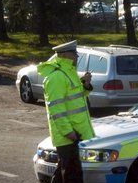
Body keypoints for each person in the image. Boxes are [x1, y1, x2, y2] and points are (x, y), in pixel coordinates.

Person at [37, 40, 94, 183]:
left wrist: (85, 84)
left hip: (73, 131)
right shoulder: (57, 77)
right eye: (74, 54)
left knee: (65, 171)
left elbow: (76, 97)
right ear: (65, 55)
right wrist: (68, 132)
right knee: (72, 174)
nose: (77, 57)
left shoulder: (69, 72)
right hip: (67, 134)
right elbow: (56, 109)